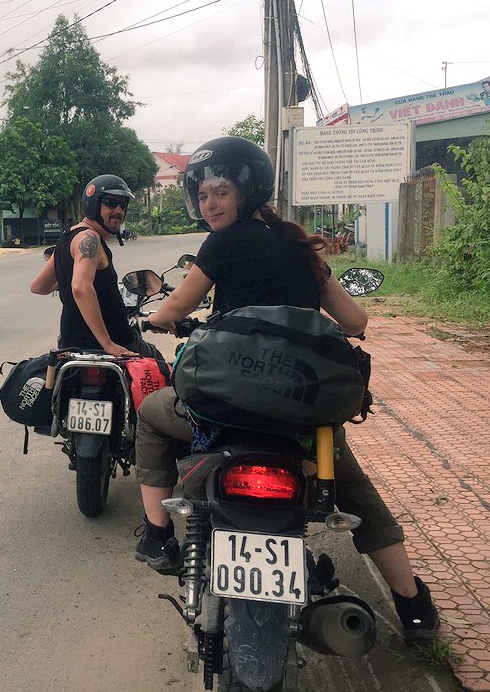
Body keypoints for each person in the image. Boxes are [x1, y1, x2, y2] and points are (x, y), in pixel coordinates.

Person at [132, 136, 440, 646]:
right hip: (300, 415)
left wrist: (163, 321)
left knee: (149, 415)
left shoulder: (222, 244)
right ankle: (412, 605)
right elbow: (356, 320)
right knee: (357, 491)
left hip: (224, 411)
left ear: (248, 192)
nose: (211, 204)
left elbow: (172, 310)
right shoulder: (300, 249)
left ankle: (158, 536)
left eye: (221, 192)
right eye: (204, 193)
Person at [31, 174, 162, 359]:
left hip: (70, 345)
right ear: (92, 204)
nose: (118, 210)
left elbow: (39, 286)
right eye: (110, 203)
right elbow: (81, 288)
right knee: (160, 366)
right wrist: (108, 344)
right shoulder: (89, 238)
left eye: (122, 205)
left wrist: (66, 280)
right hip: (116, 341)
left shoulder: (67, 238)